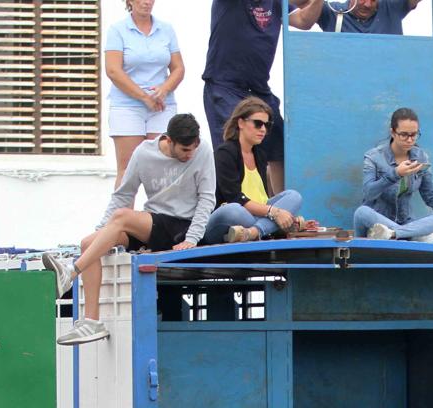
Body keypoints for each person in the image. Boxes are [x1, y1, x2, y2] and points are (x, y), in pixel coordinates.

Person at [44, 114, 215, 346]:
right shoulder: (144, 153)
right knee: (88, 244)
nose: (189, 155)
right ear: (168, 140)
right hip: (153, 223)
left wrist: (193, 238)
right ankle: (91, 321)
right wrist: (103, 232)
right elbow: (124, 194)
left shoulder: (203, 151)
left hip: (181, 227)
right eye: (185, 150)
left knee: (122, 217)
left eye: (193, 149)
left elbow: (207, 199)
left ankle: (70, 274)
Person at [201, 0, 317, 199]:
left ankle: (281, 208)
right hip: (225, 86)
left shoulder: (276, 3)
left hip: (258, 89)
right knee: (235, 147)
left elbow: (304, 21)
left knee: (280, 145)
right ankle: (236, 208)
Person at [353, 108, 433, 243]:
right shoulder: (374, 157)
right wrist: (395, 174)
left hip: (406, 223)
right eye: (404, 135)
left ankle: (396, 233)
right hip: (378, 225)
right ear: (393, 132)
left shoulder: (421, 157)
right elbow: (368, 193)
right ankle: (412, 236)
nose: (409, 140)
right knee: (361, 213)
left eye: (414, 135)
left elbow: (431, 196)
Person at [203, 97, 305, 244]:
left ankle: (254, 232)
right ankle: (271, 228)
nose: (263, 129)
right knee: (234, 210)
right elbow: (235, 199)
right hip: (227, 219)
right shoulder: (225, 153)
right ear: (240, 123)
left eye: (267, 125)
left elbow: (263, 198)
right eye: (258, 124)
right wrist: (277, 213)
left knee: (294, 196)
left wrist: (281, 215)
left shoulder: (259, 153)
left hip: (253, 220)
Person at [104, 0, 185, 186]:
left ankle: (161, 215)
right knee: (127, 169)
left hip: (162, 106)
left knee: (164, 167)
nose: (147, 2)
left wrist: (164, 90)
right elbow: (113, 71)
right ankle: (123, 215)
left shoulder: (166, 29)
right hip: (127, 106)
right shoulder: (117, 30)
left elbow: (178, 68)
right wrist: (144, 97)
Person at [304, 0, 422, 33]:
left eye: (373, 0)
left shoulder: (391, 7)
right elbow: (294, 5)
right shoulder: (332, 11)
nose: (367, 4)